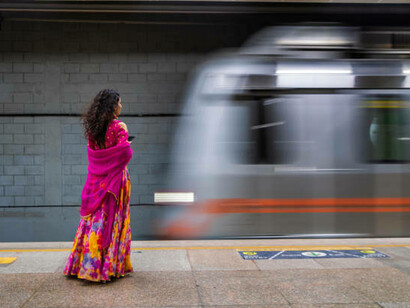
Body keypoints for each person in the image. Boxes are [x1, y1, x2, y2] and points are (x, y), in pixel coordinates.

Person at [64, 89, 133, 282]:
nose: (121, 106)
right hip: (115, 182)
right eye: (119, 102)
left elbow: (95, 155)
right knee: (114, 220)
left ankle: (84, 265)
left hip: (96, 181)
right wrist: (126, 146)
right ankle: (108, 267)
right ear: (112, 106)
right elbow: (125, 153)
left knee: (93, 222)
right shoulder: (120, 127)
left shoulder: (94, 131)